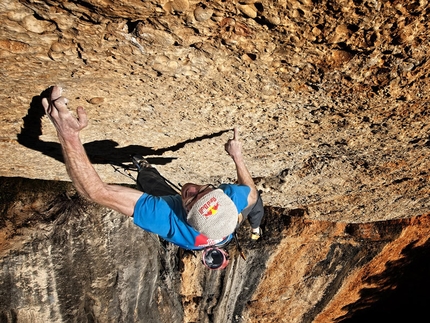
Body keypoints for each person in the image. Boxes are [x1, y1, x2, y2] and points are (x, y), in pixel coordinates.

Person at [42, 86, 263, 251]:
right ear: (221, 194)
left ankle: (145, 170)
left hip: (186, 230)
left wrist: (68, 134)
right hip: (218, 227)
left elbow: (97, 192)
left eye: (190, 200)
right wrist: (238, 157)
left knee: (156, 189)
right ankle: (146, 169)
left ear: (186, 215)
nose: (191, 189)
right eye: (203, 190)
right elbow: (252, 193)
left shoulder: (170, 220)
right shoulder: (233, 199)